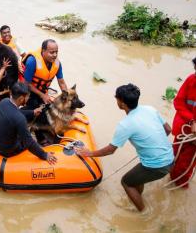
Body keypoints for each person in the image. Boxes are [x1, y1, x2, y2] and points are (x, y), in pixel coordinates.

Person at [75, 83, 174, 212]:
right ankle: (138, 196)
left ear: (121, 103)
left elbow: (111, 150)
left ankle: (143, 212)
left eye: (117, 98)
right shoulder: (150, 109)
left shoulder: (125, 124)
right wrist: (153, 145)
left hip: (157, 166)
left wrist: (89, 153)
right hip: (170, 159)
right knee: (136, 178)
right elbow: (168, 129)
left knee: (126, 182)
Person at [0, 82, 57, 164]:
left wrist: (32, 112)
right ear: (21, 98)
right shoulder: (20, 119)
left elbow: (16, 111)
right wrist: (44, 155)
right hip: (5, 151)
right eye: (28, 96)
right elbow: (29, 143)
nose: (28, 98)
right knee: (29, 139)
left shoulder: (4, 101)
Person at [22, 39, 67, 124]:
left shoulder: (57, 63)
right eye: (51, 52)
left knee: (50, 111)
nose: (55, 55)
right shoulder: (32, 61)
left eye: (56, 52)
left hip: (43, 90)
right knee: (38, 115)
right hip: (29, 91)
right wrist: (42, 95)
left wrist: (67, 97)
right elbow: (26, 84)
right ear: (43, 51)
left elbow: (61, 82)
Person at [169, 57, 196, 188]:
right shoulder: (191, 79)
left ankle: (180, 187)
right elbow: (178, 102)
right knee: (173, 157)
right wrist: (192, 121)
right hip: (183, 131)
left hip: (194, 139)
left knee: (185, 166)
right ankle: (171, 180)